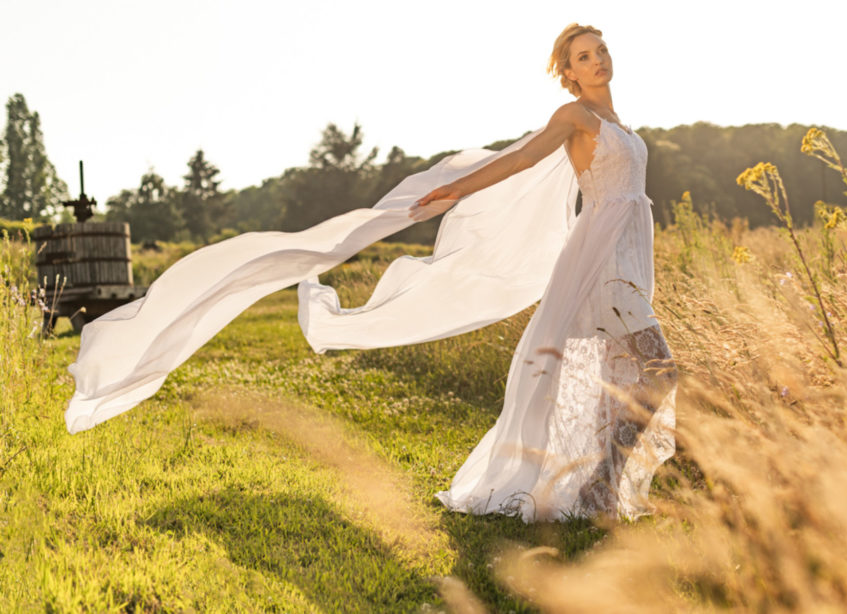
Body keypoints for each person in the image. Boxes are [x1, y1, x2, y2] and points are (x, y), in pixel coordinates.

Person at [64, 23, 677, 522]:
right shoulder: (573, 120)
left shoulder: (624, 126)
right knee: (658, 370)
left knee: (626, 376)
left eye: (601, 51)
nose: (597, 61)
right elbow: (517, 160)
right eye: (583, 56)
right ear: (567, 72)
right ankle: (598, 488)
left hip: (628, 254)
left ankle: (599, 490)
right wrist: (454, 191)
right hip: (599, 262)